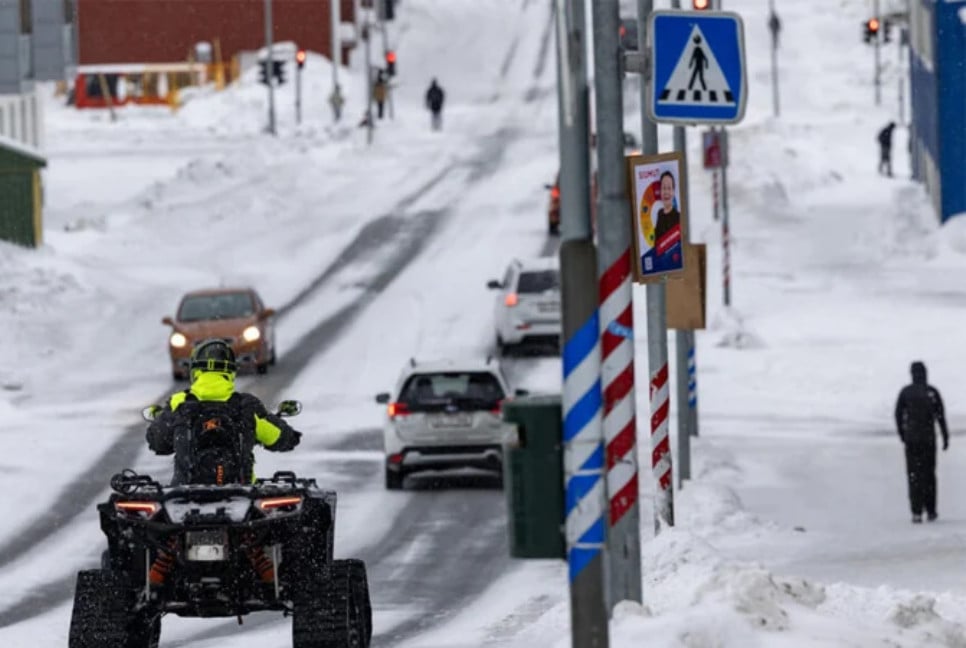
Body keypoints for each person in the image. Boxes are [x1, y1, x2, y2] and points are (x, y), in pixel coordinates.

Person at [146, 338, 301, 487]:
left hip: (184, 497)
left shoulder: (178, 403)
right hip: (242, 495)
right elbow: (282, 438)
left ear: (196, 371)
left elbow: (157, 442)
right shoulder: (246, 406)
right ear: (231, 371)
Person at [895, 361, 949, 524]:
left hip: (912, 440)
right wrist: (945, 437)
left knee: (914, 476)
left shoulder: (906, 392)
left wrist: (903, 434)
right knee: (929, 475)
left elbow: (898, 415)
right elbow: (940, 417)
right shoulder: (931, 392)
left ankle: (916, 511)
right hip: (928, 440)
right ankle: (931, 510)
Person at [653, 171, 681, 248]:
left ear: (673, 191)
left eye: (669, 188)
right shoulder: (659, 213)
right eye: (664, 188)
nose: (666, 192)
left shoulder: (678, 217)